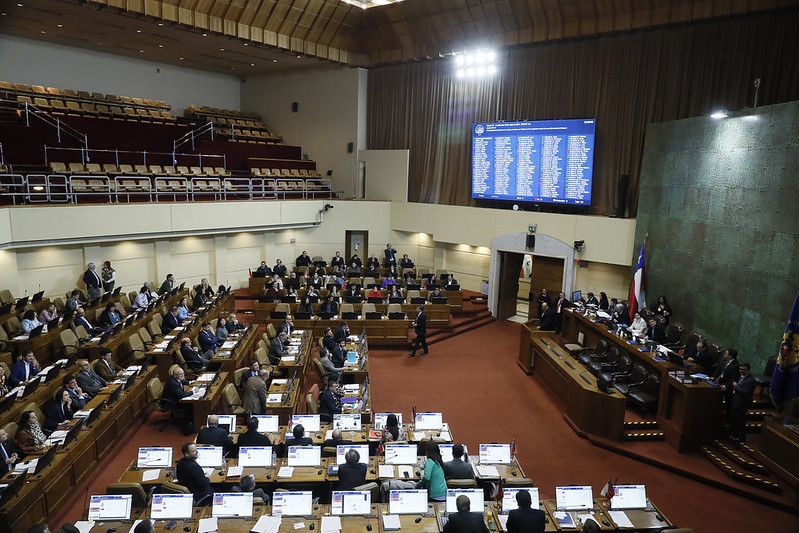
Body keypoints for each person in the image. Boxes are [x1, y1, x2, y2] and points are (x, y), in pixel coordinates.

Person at [729, 362, 755, 442]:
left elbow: (745, 393)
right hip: (736, 402)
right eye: (740, 369)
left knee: (740, 421)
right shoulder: (742, 377)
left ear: (748, 370)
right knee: (735, 420)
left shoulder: (751, 380)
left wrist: (736, 386)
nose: (740, 371)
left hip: (742, 404)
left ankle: (741, 438)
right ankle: (735, 434)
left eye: (743, 369)